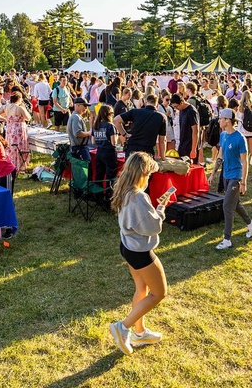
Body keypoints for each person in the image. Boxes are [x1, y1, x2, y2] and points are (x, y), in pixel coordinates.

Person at [109, 152, 169, 355]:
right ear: (142, 174)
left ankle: (139, 333)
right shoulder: (138, 197)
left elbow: (140, 219)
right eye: (149, 174)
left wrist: (155, 208)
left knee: (141, 290)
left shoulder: (124, 189)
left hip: (127, 247)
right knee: (159, 293)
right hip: (140, 252)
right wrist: (160, 210)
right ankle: (123, 327)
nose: (150, 178)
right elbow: (152, 227)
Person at [212, 108, 252, 249]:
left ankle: (227, 239)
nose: (219, 120)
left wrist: (243, 182)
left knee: (227, 206)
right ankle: (251, 224)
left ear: (227, 120)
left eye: (221, 118)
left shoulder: (240, 138)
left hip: (235, 176)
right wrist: (213, 173)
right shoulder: (223, 135)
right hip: (226, 175)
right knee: (235, 203)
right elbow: (220, 156)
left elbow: (245, 161)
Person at [114, 93, 167, 159]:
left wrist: (124, 134)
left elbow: (116, 120)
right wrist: (163, 157)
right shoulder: (161, 117)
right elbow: (162, 140)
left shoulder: (135, 112)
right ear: (157, 104)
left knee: (130, 168)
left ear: (145, 101)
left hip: (132, 149)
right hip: (147, 151)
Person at [0, 93, 32, 173]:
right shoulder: (20, 108)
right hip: (19, 129)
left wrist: (5, 118)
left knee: (11, 146)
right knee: (19, 146)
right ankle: (20, 165)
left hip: (10, 129)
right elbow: (28, 118)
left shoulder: (6, 106)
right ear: (19, 99)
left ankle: (12, 163)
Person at [170, 93, 199, 160]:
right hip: (182, 143)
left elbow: (195, 131)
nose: (176, 109)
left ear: (182, 102)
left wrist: (193, 149)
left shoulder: (191, 111)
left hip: (190, 145)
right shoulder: (181, 110)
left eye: (176, 106)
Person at [67, 97, 91, 162]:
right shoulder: (76, 117)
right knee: (86, 168)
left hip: (79, 148)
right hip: (79, 149)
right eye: (85, 106)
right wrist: (89, 133)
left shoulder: (76, 116)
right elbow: (78, 133)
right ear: (78, 105)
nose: (86, 108)